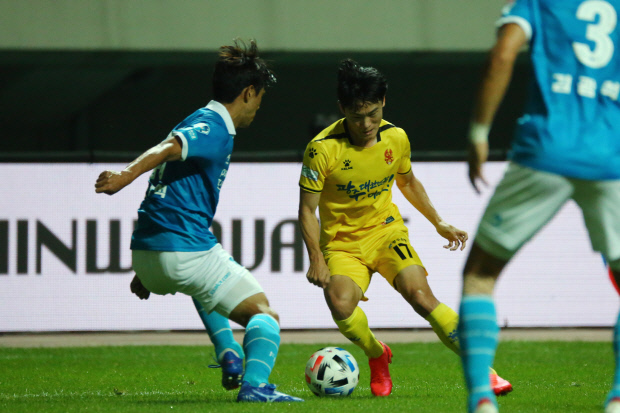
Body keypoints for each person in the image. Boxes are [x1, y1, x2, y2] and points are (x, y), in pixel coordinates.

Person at [95, 39, 303, 403]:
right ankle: (254, 387)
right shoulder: (213, 126)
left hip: (149, 252)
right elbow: (168, 149)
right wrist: (124, 176)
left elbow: (168, 172)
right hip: (181, 249)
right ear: (248, 93)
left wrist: (149, 268)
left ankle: (228, 353)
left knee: (206, 284)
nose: (259, 106)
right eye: (259, 97)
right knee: (264, 315)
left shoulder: (196, 118)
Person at [298, 58, 512, 397]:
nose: (366, 124)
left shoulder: (395, 138)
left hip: (386, 233)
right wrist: (316, 257)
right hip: (341, 244)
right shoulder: (321, 150)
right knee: (340, 304)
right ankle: (377, 354)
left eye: (373, 113)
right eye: (356, 116)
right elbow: (307, 210)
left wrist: (438, 221)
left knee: (421, 297)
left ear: (383, 101)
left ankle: (481, 370)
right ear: (342, 108)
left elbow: (407, 182)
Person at [458, 1, 620, 412]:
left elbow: (502, 55)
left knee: (479, 275)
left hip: (544, 151)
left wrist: (479, 133)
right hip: (610, 157)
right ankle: (618, 397)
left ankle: (481, 401)